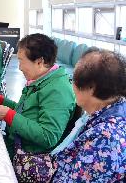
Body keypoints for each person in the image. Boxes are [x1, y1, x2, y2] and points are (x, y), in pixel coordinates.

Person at [0, 33, 75, 160]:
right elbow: (24, 111)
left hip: (28, 157)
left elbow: (49, 136)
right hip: (16, 145)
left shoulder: (58, 90)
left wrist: (7, 115)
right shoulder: (42, 80)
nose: (19, 67)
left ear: (40, 62)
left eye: (21, 61)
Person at [52, 49, 125, 182]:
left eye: (74, 79)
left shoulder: (105, 140)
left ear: (91, 87)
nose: (72, 85)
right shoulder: (113, 108)